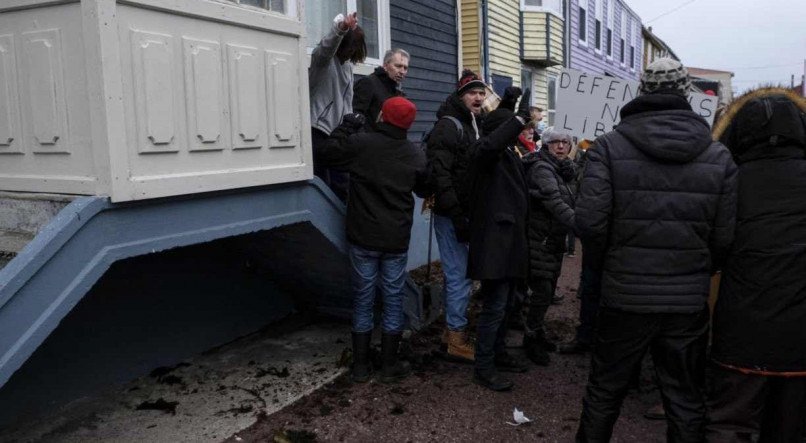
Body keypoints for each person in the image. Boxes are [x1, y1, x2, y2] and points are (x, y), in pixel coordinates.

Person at [574, 58, 738, 442]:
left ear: (642, 89)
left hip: (624, 296)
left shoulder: (608, 148)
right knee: (684, 398)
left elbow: (590, 223)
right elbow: (725, 238)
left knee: (604, 391)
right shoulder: (719, 157)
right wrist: (698, 268)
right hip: (686, 300)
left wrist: (609, 266)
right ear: (685, 92)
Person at [706, 88, 806, 441]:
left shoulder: (729, 179)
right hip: (801, 336)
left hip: (742, 329)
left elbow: (715, 247)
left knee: (732, 422)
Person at [316, 97, 428, 384]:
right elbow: (426, 186)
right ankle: (389, 364)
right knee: (393, 298)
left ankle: (361, 367)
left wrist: (345, 127)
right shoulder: (414, 154)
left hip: (363, 236)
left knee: (363, 299)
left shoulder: (362, 144)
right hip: (395, 239)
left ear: (382, 116)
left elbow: (326, 153)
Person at [466, 88, 533, 391]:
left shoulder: (506, 153)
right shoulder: (484, 152)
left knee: (507, 305)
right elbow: (492, 141)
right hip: (495, 245)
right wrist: (517, 118)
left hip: (510, 244)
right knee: (495, 306)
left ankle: (499, 353)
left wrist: (508, 105)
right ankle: (484, 365)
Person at [426, 69, 487, 363]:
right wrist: (458, 215)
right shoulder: (449, 127)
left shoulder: (475, 122)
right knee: (459, 275)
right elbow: (441, 175)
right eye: (473, 92)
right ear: (461, 95)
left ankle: (452, 331)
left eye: (481, 92)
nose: (478, 97)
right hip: (452, 215)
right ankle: (456, 338)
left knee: (460, 275)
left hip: (467, 213)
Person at [520, 129, 577, 366]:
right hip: (538, 239)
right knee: (542, 291)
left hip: (553, 240)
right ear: (546, 145)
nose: (561, 146)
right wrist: (579, 224)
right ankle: (530, 338)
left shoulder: (564, 170)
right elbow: (553, 200)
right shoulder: (542, 168)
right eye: (556, 142)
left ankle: (536, 332)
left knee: (549, 286)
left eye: (565, 142)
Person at [309, 12, 367, 201]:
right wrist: (340, 29)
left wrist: (350, 124)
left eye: (355, 48)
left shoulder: (348, 67)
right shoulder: (323, 61)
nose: (351, 51)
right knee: (323, 183)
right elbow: (326, 48)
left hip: (339, 133)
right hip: (319, 129)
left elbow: (347, 100)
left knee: (342, 184)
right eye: (349, 46)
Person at [353, 49, 410, 131]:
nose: (402, 71)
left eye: (405, 68)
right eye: (398, 66)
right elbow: (356, 114)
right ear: (385, 66)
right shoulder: (368, 83)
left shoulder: (398, 92)